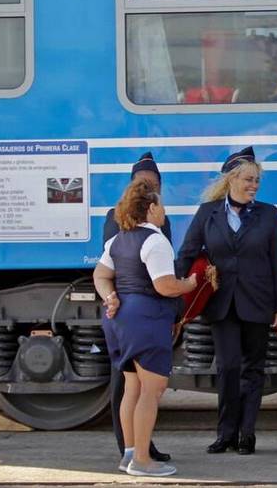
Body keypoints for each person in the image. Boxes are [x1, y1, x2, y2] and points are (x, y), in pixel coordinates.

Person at [176, 146, 277, 455]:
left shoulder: (269, 214)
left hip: (258, 302)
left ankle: (247, 434)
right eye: (248, 179)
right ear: (231, 180)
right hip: (222, 304)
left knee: (253, 369)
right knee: (227, 367)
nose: (254, 185)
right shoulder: (207, 213)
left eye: (257, 181)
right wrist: (172, 291)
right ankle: (225, 433)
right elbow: (187, 254)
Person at [94, 179, 198, 476]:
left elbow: (100, 275)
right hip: (147, 319)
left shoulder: (117, 240)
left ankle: (129, 454)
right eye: (161, 204)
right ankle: (142, 459)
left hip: (120, 320)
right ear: (151, 208)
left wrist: (110, 296)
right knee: (152, 390)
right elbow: (164, 286)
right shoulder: (155, 240)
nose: (164, 210)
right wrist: (189, 284)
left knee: (133, 388)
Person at [102, 151, 171, 464]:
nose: (149, 188)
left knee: (138, 385)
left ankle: (141, 446)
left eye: (154, 184)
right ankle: (129, 448)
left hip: (144, 309)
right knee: (133, 385)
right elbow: (116, 268)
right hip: (132, 310)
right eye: (143, 183)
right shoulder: (114, 218)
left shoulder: (160, 221)